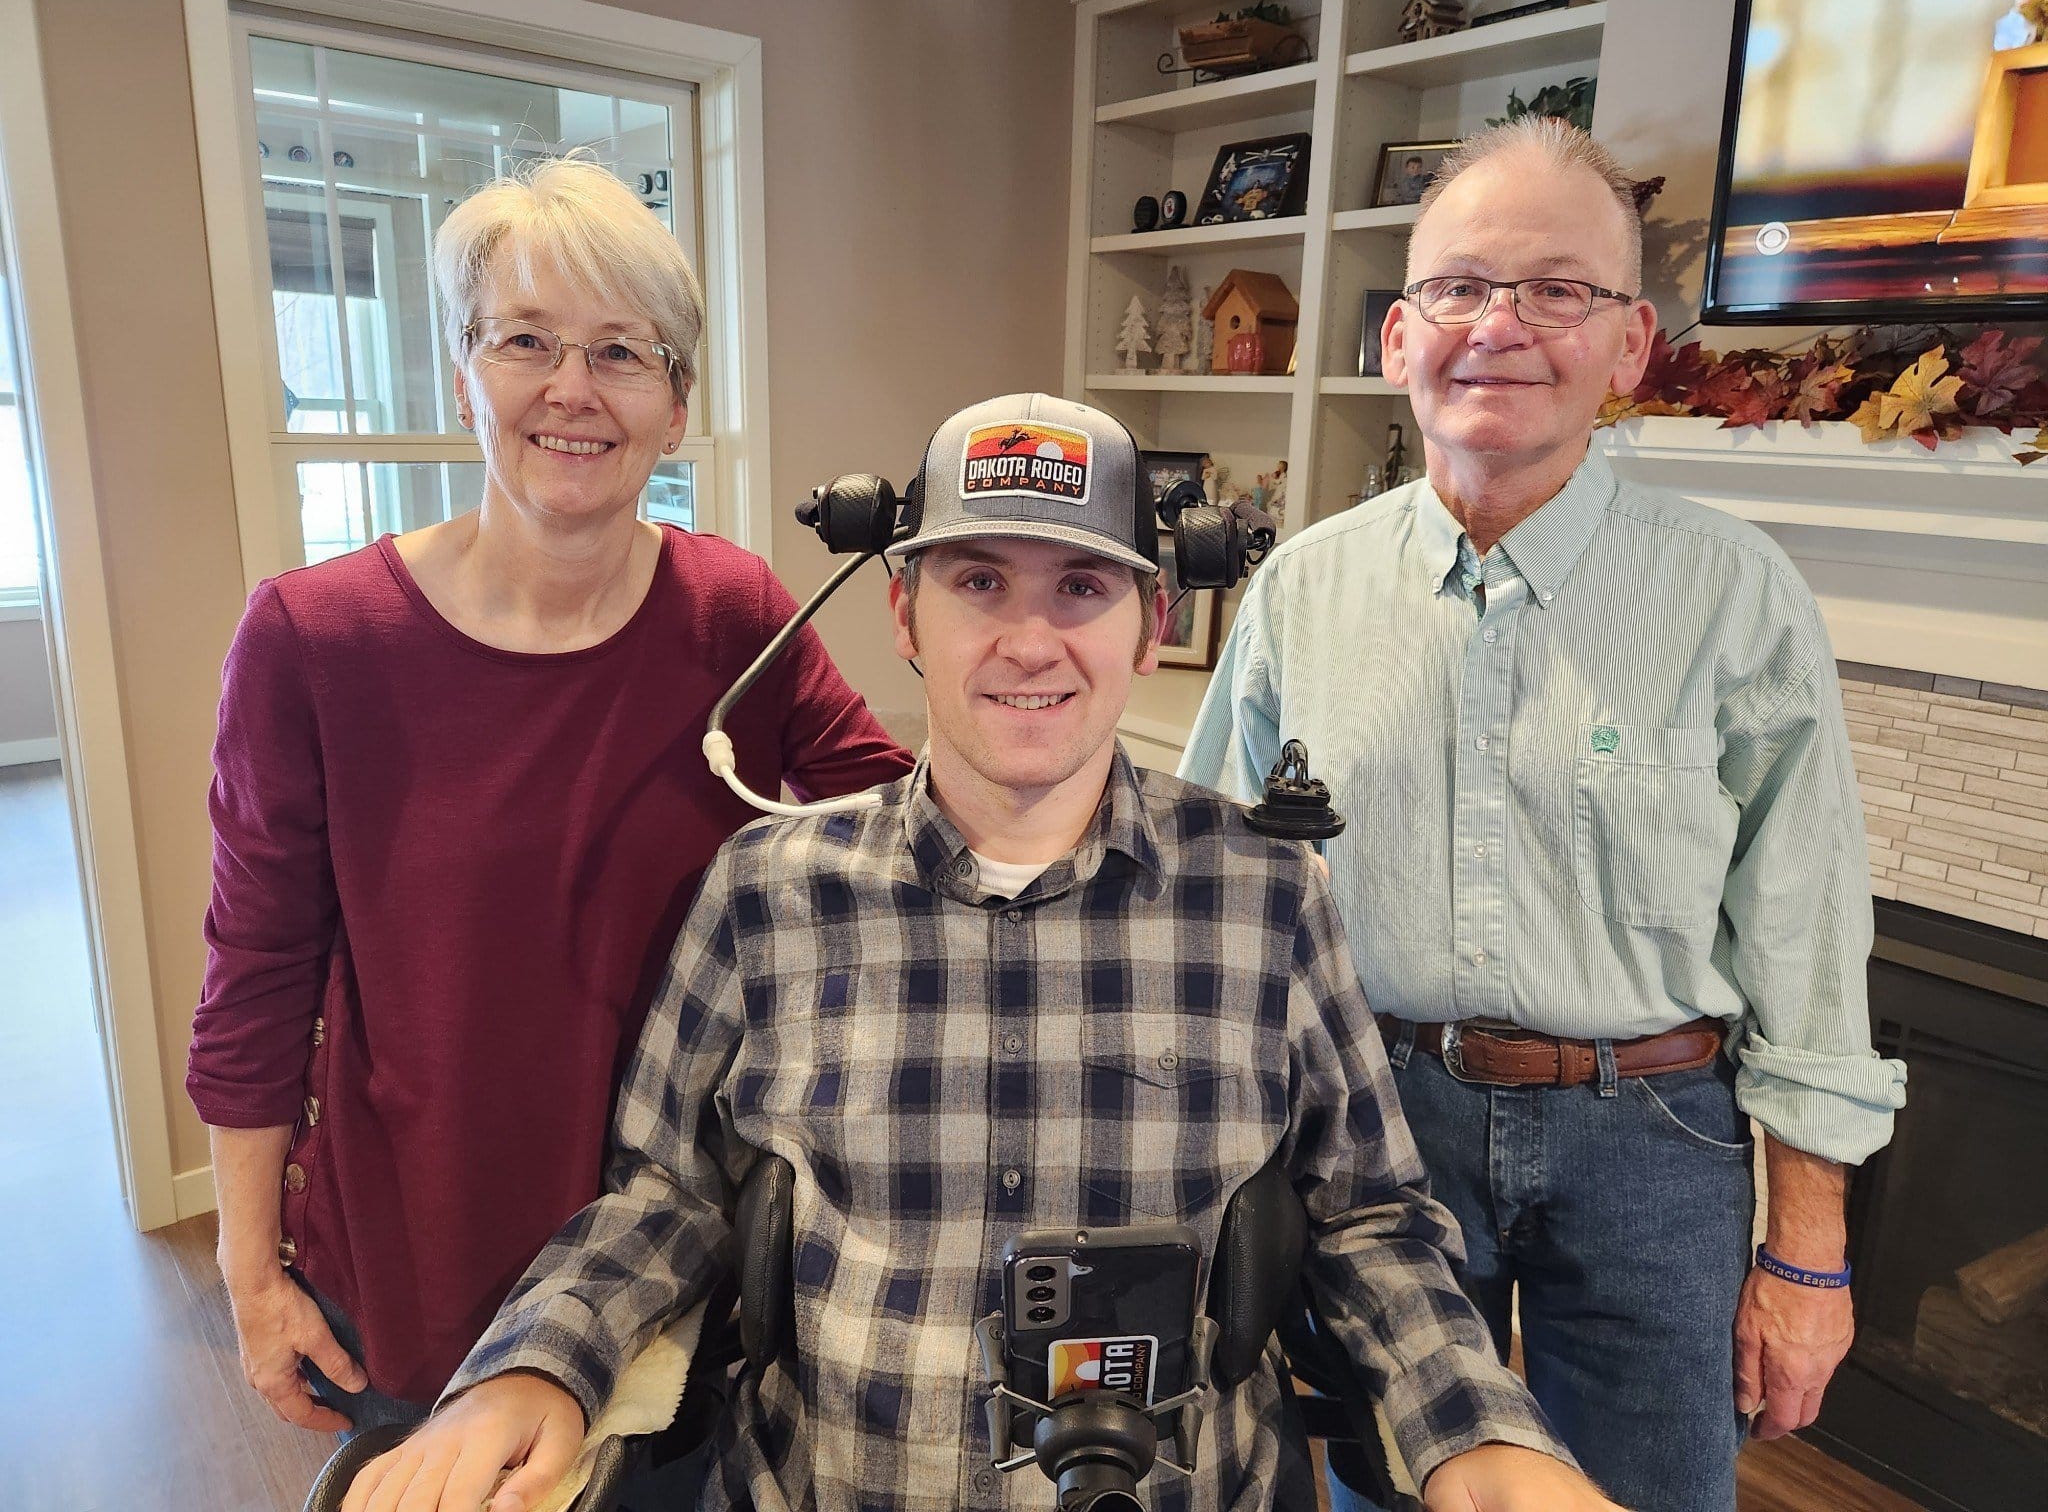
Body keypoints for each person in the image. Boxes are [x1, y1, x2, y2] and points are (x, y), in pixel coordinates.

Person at [336, 394, 1626, 1512]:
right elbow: (661, 1196)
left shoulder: (1265, 896)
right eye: (977, 583)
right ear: (903, 611)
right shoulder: (767, 894)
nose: (1027, 639)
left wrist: (1478, 1441)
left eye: (1080, 587)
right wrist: (533, 1371)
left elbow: (1371, 1224)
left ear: (1152, 623)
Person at [1180, 119, 1909, 1512]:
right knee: (1386, 1490)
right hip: (1379, 1126)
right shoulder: (1301, 595)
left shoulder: (1734, 597)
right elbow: (1222, 900)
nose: (1499, 327)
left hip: (1659, 1140)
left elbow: (1809, 936)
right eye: (1459, 287)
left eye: (1557, 291)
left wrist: (1808, 1253)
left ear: (1629, 347)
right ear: (1399, 338)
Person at [188, 157, 913, 1448]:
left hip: (676, 1234)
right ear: (462, 367)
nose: (572, 390)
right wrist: (250, 1273)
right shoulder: (316, 639)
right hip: (426, 1255)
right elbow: (254, 978)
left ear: (677, 404)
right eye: (526, 339)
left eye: (623, 353)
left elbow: (900, 824)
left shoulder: (734, 616)